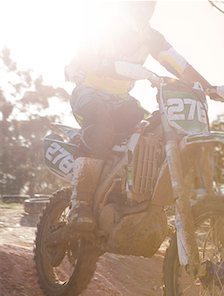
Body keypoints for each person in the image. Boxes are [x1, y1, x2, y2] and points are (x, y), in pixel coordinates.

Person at [64, 1, 213, 232]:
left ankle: (134, 198)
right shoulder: (106, 25)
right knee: (102, 126)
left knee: (152, 131)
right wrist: (105, 65)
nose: (143, 7)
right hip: (88, 92)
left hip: (121, 100)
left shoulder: (151, 37)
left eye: (148, 4)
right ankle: (79, 203)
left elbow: (181, 66)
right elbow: (84, 60)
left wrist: (211, 89)